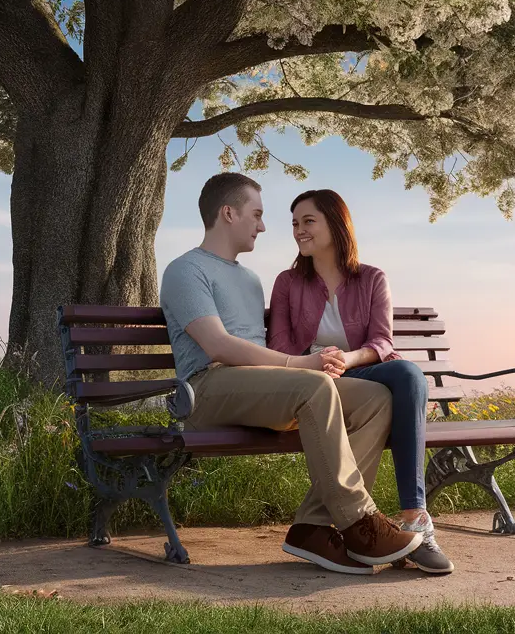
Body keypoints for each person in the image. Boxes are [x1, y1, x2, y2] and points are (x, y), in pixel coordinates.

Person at [159, 173, 423, 575]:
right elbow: (217, 345)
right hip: (207, 390)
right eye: (257, 215)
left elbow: (265, 349)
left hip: (262, 390)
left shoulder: (248, 278)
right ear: (228, 213)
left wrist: (305, 369)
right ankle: (359, 521)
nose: (264, 226)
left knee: (375, 400)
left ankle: (312, 528)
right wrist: (303, 365)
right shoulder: (186, 270)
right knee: (314, 384)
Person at [268, 189, 455, 575]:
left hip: (357, 368)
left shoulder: (371, 278)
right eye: (294, 224)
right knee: (382, 396)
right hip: (309, 378)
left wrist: (347, 358)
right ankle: (353, 527)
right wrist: (317, 364)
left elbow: (383, 341)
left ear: (336, 224)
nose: (299, 231)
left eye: (308, 221)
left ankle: (414, 516)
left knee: (407, 374)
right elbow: (279, 345)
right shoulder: (288, 282)